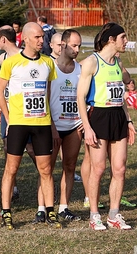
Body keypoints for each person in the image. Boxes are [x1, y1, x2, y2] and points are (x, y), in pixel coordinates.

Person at [0, 22, 61, 230]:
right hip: (18, 124)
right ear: (25, 39)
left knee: (46, 169)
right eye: (37, 37)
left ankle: (50, 211)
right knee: (11, 169)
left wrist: (50, 122)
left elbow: (48, 93)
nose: (41, 41)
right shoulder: (11, 62)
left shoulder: (48, 63)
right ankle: (6, 212)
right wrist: (8, 118)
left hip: (41, 123)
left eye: (42, 37)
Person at [77, 22, 136, 231]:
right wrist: (87, 127)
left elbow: (122, 93)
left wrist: (128, 120)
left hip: (118, 116)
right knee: (99, 168)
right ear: (111, 39)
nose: (126, 41)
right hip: (98, 117)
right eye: (123, 37)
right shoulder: (92, 62)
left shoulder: (118, 64)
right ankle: (94, 215)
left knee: (119, 169)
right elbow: (80, 97)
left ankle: (113, 214)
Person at [48, 29, 82, 221]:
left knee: (69, 166)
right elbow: (44, 98)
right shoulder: (50, 66)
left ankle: (64, 207)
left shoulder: (80, 69)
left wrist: (84, 121)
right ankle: (44, 207)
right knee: (47, 168)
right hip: (53, 125)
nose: (77, 50)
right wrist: (51, 125)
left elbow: (86, 97)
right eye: (74, 45)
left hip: (74, 125)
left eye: (79, 46)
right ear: (63, 45)